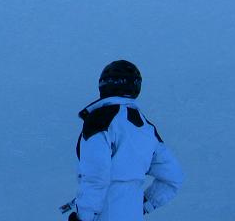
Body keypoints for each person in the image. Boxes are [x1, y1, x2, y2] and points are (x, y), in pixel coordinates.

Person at [69, 60, 183, 221]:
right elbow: (173, 177)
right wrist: (142, 205)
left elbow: (96, 174)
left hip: (104, 213)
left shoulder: (99, 121)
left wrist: (84, 217)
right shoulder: (147, 128)